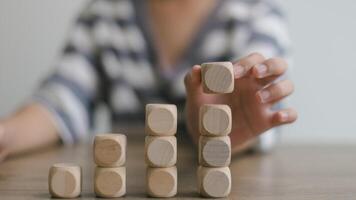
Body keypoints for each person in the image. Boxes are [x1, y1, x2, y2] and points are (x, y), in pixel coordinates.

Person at [0, 0, 297, 161]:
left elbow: (261, 110)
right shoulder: (103, 14)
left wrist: (222, 133)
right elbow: (61, 99)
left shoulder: (256, 14)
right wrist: (6, 133)